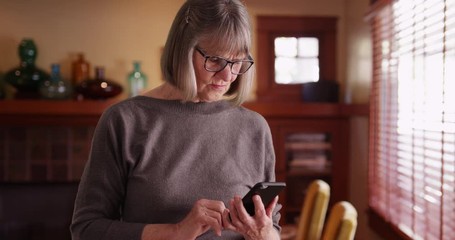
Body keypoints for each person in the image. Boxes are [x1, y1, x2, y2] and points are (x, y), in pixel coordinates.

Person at [70, 0, 282, 239]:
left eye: (237, 62)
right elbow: (86, 230)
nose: (227, 76)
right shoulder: (125, 121)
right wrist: (176, 232)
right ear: (182, 50)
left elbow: (271, 228)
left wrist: (264, 234)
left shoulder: (254, 127)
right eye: (214, 60)